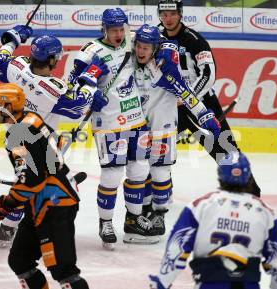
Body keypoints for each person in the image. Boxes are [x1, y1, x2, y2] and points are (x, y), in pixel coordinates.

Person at [0, 26, 108, 248]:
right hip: (39, 145)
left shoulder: (17, 66)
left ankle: (7, 228)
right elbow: (78, 106)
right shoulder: (52, 89)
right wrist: (91, 79)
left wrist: (13, 39)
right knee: (36, 188)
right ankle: (32, 230)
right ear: (52, 60)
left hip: (14, 138)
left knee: (25, 183)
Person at [0, 82, 89, 289]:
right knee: (20, 259)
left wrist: (3, 204)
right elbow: (39, 167)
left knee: (63, 270)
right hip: (41, 201)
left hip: (54, 204)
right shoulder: (31, 118)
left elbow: (31, 181)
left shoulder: (17, 133)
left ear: (9, 107)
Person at [68, 7, 161, 248]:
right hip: (108, 123)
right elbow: (72, 85)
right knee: (112, 174)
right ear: (104, 29)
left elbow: (157, 44)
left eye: (122, 29)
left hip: (136, 118)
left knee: (140, 170)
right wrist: (91, 93)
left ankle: (133, 218)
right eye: (114, 30)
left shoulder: (133, 44)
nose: (119, 34)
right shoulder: (90, 51)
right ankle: (106, 222)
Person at [156, 0, 262, 195]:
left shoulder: (194, 40)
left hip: (201, 104)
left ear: (180, 14)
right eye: (164, 14)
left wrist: (189, 98)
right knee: (157, 148)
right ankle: (160, 189)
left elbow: (208, 74)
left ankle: (251, 191)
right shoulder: (154, 37)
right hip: (169, 104)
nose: (168, 18)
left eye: (172, 13)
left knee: (226, 150)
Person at [148, 151, 277, 289]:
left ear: (220, 174)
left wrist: (162, 281)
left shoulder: (201, 206)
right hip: (248, 285)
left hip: (209, 283)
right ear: (248, 176)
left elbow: (177, 248)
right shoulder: (266, 212)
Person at [133, 24, 221, 238]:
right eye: (139, 46)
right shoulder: (128, 63)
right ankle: (141, 214)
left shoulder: (165, 66)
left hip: (162, 125)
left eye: (146, 47)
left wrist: (203, 113)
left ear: (155, 48)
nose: (141, 51)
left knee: (160, 171)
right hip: (136, 125)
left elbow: (184, 91)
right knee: (138, 171)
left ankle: (159, 214)